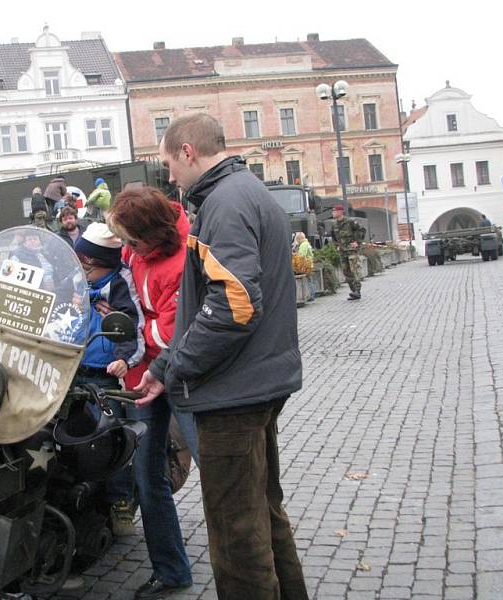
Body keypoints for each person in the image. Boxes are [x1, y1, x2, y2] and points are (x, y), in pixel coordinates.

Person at [136, 113, 308, 600]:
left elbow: (235, 306)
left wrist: (178, 365)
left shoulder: (226, 202)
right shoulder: (245, 191)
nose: (169, 176)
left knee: (236, 536)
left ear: (188, 152)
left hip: (233, 392)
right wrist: (166, 367)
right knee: (263, 514)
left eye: (170, 163)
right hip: (254, 383)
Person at [104, 187, 200, 593]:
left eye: (131, 240)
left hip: (180, 378)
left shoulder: (182, 261)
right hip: (144, 377)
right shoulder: (137, 252)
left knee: (214, 474)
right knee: (146, 476)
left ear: (151, 234)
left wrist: (134, 325)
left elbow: (170, 330)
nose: (126, 249)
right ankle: (171, 569)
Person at [72, 224, 148, 534]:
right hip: (69, 369)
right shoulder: (73, 283)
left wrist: (122, 359)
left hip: (102, 377)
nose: (81, 268)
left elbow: (133, 325)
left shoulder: (118, 284)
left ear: (95, 262)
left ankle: (120, 502)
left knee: (108, 437)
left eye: (85, 263)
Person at [331, 204, 366, 300]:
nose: (333, 213)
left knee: (354, 270)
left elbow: (362, 230)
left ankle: (357, 291)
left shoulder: (350, 222)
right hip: (342, 251)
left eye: (334, 211)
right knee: (346, 272)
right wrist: (336, 246)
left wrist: (357, 242)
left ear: (340, 212)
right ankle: (353, 290)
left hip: (352, 251)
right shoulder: (334, 225)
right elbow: (333, 237)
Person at [294, 232, 316, 302]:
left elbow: (301, 256)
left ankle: (311, 295)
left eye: (297, 239)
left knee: (308, 280)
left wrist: (295, 252)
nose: (296, 241)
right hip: (309, 264)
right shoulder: (307, 243)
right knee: (310, 280)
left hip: (306, 265)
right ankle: (312, 294)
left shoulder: (303, 245)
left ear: (299, 239)